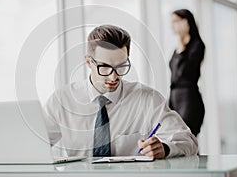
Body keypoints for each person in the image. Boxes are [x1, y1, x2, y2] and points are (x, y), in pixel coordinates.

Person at [44, 25, 198, 159]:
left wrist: (165, 148)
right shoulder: (61, 101)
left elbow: (188, 141)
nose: (113, 76)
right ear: (89, 62)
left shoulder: (147, 99)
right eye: (104, 66)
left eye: (121, 66)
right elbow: (36, 145)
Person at [169, 9, 205, 137]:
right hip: (174, 99)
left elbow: (183, 73)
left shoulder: (197, 46)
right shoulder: (177, 50)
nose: (172, 25)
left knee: (186, 139)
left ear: (186, 23)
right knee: (175, 139)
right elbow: (173, 76)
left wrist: (182, 40)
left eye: (175, 21)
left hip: (188, 99)